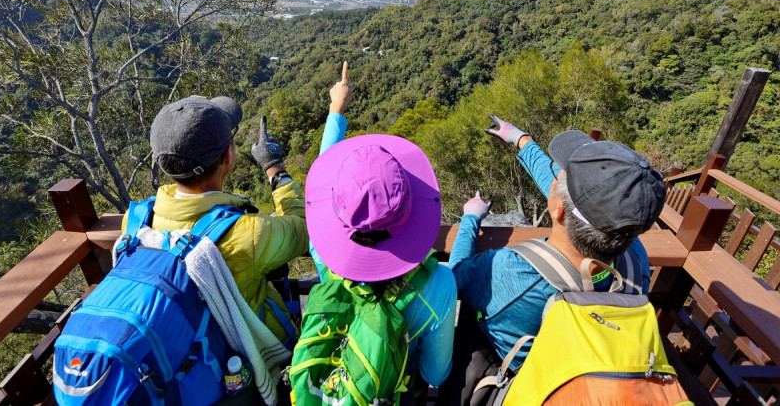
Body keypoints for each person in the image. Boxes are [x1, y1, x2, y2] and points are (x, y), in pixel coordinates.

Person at [443, 116, 662, 404]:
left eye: (560, 176)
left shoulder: (512, 271)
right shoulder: (635, 257)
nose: (555, 176)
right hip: (591, 375)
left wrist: (470, 218)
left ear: (558, 208)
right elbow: (575, 199)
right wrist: (522, 141)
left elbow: (456, 276)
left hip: (525, 382)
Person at [304, 62, 457, 398]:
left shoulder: (325, 255)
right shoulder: (438, 283)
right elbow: (435, 372)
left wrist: (336, 110)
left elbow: (333, 185)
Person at [126, 95, 308, 347]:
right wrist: (274, 167)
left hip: (182, 350)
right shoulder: (248, 233)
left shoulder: (137, 220)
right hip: (249, 356)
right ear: (227, 156)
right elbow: (303, 229)